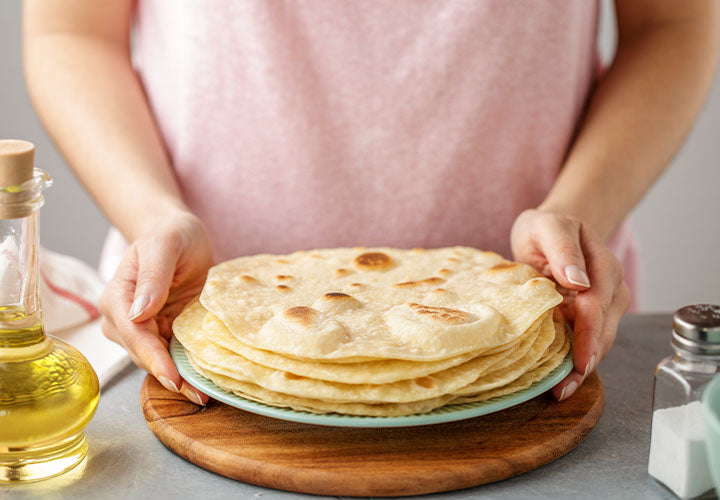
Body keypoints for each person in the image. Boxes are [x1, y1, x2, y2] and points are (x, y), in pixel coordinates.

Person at [23, 1, 719, 406]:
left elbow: (672, 21)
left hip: (544, 332)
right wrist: (152, 216)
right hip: (190, 339)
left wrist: (581, 214)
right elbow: (72, 29)